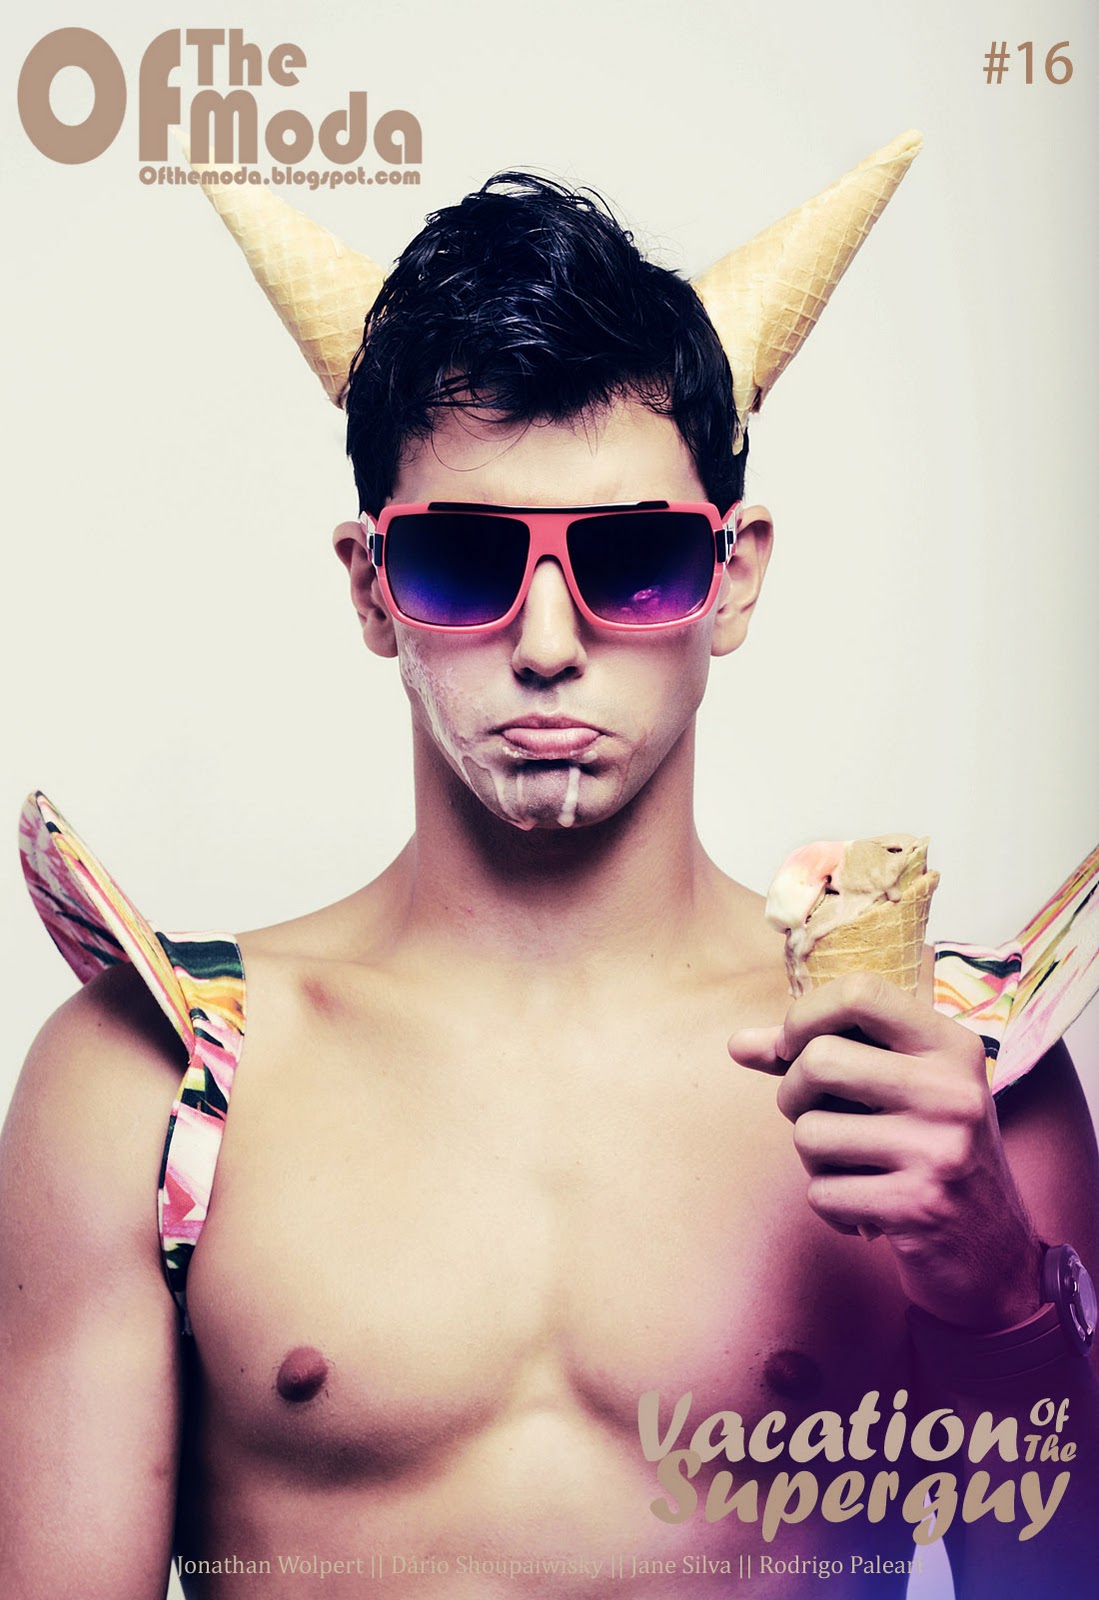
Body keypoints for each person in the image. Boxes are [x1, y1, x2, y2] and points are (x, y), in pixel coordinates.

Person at [1, 146, 1096, 1600]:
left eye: (635, 560)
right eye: (464, 561)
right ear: (373, 589)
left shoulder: (946, 1080)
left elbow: (1055, 1578)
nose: (547, 643)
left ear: (734, 575)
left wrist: (996, 1285)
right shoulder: (148, 1086)